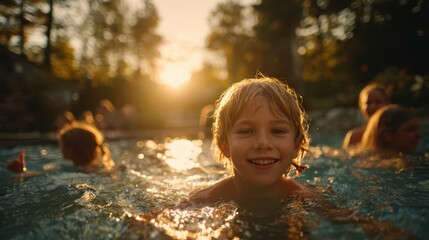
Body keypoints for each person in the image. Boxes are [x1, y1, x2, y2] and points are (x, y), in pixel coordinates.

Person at [188, 77, 311, 205]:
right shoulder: (204, 200)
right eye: (246, 131)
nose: (263, 143)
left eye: (278, 131)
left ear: (296, 146)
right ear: (225, 147)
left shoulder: (305, 197)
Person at [342, 83, 389, 149]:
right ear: (361, 107)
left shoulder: (399, 133)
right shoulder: (354, 136)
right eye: (368, 103)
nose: (373, 106)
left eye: (378, 102)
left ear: (387, 104)